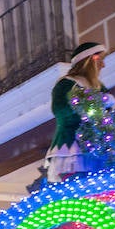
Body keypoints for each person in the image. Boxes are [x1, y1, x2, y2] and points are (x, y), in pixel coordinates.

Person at [46, 42, 107, 183]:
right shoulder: (67, 84)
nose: (103, 65)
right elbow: (61, 109)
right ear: (88, 61)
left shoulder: (100, 87)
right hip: (72, 147)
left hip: (99, 147)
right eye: (100, 60)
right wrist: (87, 110)